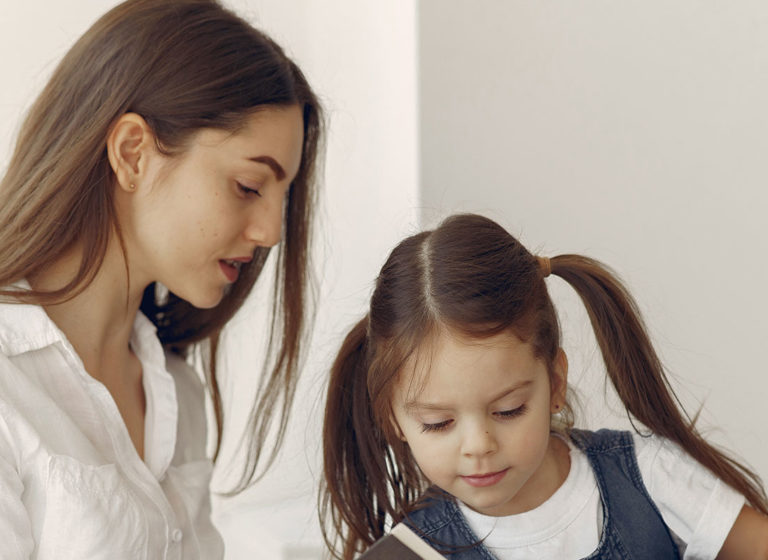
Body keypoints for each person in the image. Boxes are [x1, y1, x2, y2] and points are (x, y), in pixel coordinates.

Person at [0, 0, 322, 557]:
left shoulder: (179, 397)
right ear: (133, 154)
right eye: (249, 186)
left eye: (283, 195)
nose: (271, 231)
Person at [320, 213, 768, 559]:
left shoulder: (647, 478)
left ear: (555, 382)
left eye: (509, 410)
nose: (478, 446)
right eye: (438, 423)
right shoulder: (411, 552)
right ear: (392, 416)